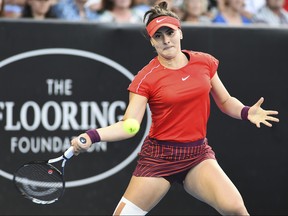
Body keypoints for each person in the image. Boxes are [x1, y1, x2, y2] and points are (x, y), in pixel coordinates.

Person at [71, 1, 279, 215]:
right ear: (152, 42)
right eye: (158, 36)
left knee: (235, 208)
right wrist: (92, 136)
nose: (166, 40)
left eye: (169, 32)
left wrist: (246, 111)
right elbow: (129, 126)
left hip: (197, 155)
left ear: (180, 33)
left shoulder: (204, 62)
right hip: (159, 158)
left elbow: (225, 102)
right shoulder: (145, 79)